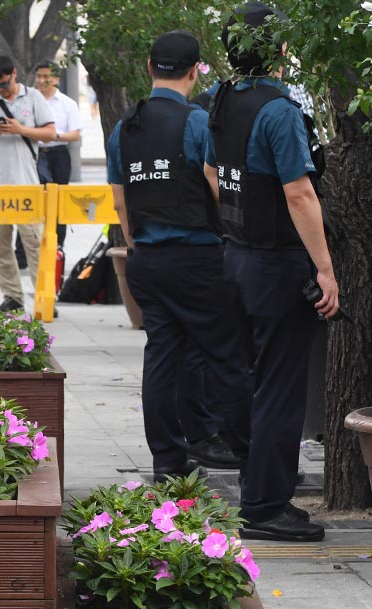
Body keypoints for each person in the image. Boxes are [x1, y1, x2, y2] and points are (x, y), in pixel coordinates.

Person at [205, 3, 339, 542]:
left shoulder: (222, 100)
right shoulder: (280, 111)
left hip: (236, 258)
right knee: (283, 388)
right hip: (279, 263)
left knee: (253, 380)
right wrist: (325, 269)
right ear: (279, 48)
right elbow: (300, 192)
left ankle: (255, 487)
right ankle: (264, 505)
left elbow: (213, 170)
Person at [109, 30, 251, 484]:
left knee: (162, 359)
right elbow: (214, 184)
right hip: (199, 258)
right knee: (227, 358)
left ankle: (167, 463)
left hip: (147, 259)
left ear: (150, 68)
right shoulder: (196, 122)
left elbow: (120, 202)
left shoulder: (124, 127)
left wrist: (136, 245)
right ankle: (251, 456)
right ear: (195, 71)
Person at [0, 54, 56, 313]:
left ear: (14, 74)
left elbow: (50, 133)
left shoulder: (33, 98)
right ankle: (12, 297)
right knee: (0, 245)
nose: (0, 89)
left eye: (4, 84)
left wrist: (21, 129)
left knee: (34, 243)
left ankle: (44, 296)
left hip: (26, 183)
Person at [34, 61, 83, 247]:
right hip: (36, 153)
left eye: (46, 76)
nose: (41, 80)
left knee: (59, 198)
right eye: (39, 76)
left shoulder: (67, 103)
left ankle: (58, 244)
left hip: (58, 153)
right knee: (37, 197)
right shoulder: (31, 100)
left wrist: (54, 136)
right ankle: (34, 244)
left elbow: (76, 133)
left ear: (55, 79)